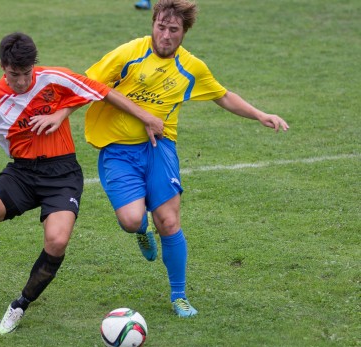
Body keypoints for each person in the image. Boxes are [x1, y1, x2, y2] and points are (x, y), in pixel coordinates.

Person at [0, 32, 163, 335]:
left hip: (62, 175)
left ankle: (20, 305)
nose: (22, 82)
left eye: (27, 73)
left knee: (57, 240)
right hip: (23, 174)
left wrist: (144, 116)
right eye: (15, 74)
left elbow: (101, 91)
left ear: (34, 66)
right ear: (2, 66)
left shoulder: (54, 79)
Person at [83, 0, 289, 318]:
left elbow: (222, 95)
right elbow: (90, 84)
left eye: (173, 30)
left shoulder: (191, 67)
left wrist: (260, 114)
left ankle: (179, 295)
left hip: (159, 148)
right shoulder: (129, 53)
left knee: (168, 221)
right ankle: (140, 229)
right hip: (118, 149)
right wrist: (143, 115)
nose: (165, 35)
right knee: (130, 220)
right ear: (152, 24)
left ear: (184, 33)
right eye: (160, 27)